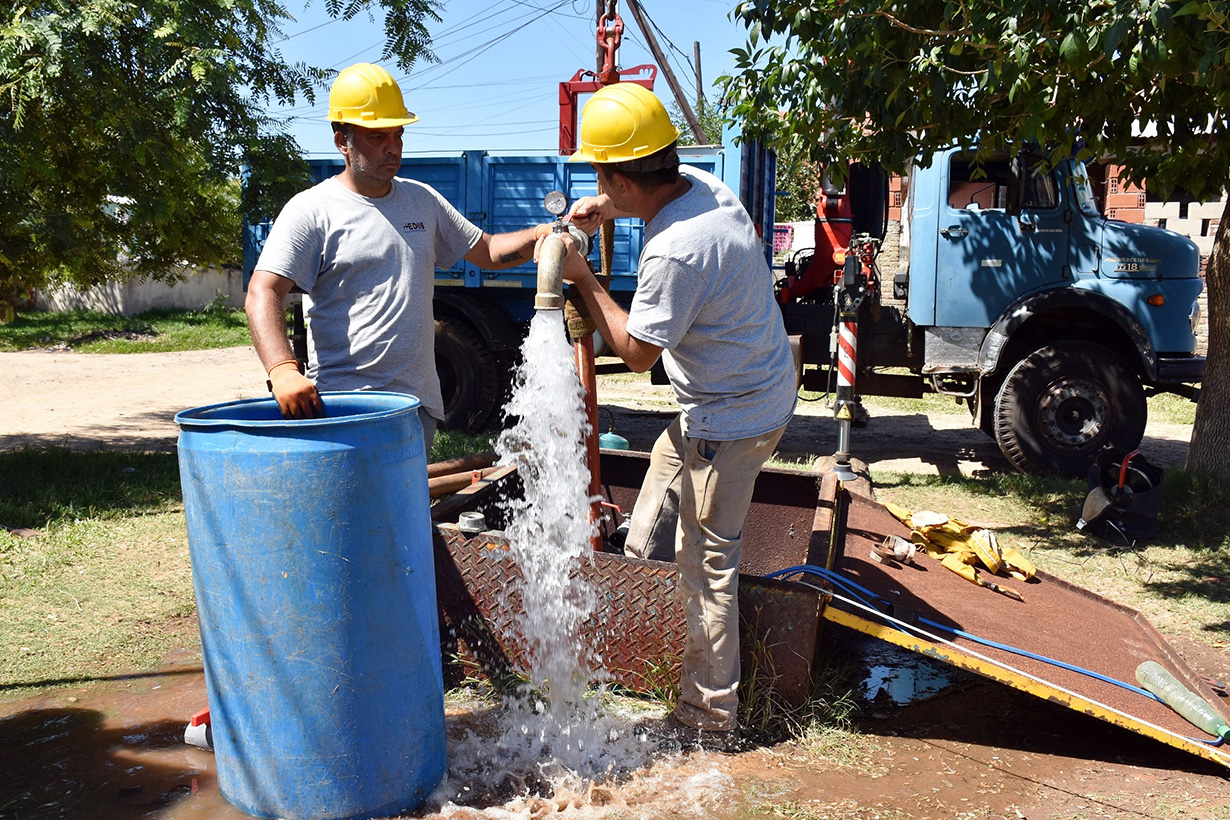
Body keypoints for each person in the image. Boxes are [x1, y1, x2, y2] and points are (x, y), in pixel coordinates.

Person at [555, 83, 797, 751]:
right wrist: (602, 206)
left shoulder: (676, 251)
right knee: (652, 527)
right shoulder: (700, 186)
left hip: (731, 417)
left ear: (620, 175)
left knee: (708, 560)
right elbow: (637, 181)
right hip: (748, 389)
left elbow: (635, 353)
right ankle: (648, 588)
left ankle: (709, 719)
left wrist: (584, 278)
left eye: (603, 176)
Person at [246, 63, 552, 446]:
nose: (393, 147)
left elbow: (488, 252)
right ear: (343, 140)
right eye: (378, 137)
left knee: (404, 507)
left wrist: (541, 233)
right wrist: (283, 370)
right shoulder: (312, 210)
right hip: (346, 409)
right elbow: (263, 291)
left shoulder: (422, 201)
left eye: (398, 134)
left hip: (414, 409)